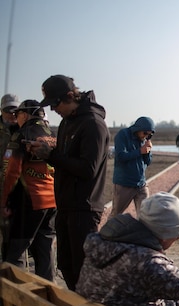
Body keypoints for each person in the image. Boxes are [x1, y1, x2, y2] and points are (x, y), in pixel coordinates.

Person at [30, 74, 110, 291]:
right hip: (65, 205)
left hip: (84, 208)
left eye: (55, 103)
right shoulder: (67, 122)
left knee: (83, 270)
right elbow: (65, 159)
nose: (54, 109)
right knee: (65, 265)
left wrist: (51, 156)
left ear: (69, 97)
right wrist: (46, 152)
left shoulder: (93, 124)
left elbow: (88, 169)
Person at [1, 100, 56, 280]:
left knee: (15, 254)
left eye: (18, 115)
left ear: (25, 114)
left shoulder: (21, 135)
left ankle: (15, 301)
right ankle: (50, 299)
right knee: (44, 252)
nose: (16, 119)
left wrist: (3, 201)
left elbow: (11, 173)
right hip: (52, 202)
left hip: (29, 202)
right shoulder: (52, 134)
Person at [111, 116, 154, 217]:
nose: (146, 136)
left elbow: (148, 162)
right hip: (124, 184)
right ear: (138, 129)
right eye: (144, 133)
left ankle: (142, 233)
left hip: (141, 184)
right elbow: (121, 156)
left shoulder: (144, 140)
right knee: (116, 215)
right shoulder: (123, 135)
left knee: (146, 216)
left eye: (149, 135)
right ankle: (107, 232)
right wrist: (140, 151)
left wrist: (147, 152)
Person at [1, 93, 20, 260]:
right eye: (8, 110)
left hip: (15, 191)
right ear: (1, 110)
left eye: (15, 110)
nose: (12, 114)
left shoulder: (24, 129)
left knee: (11, 237)